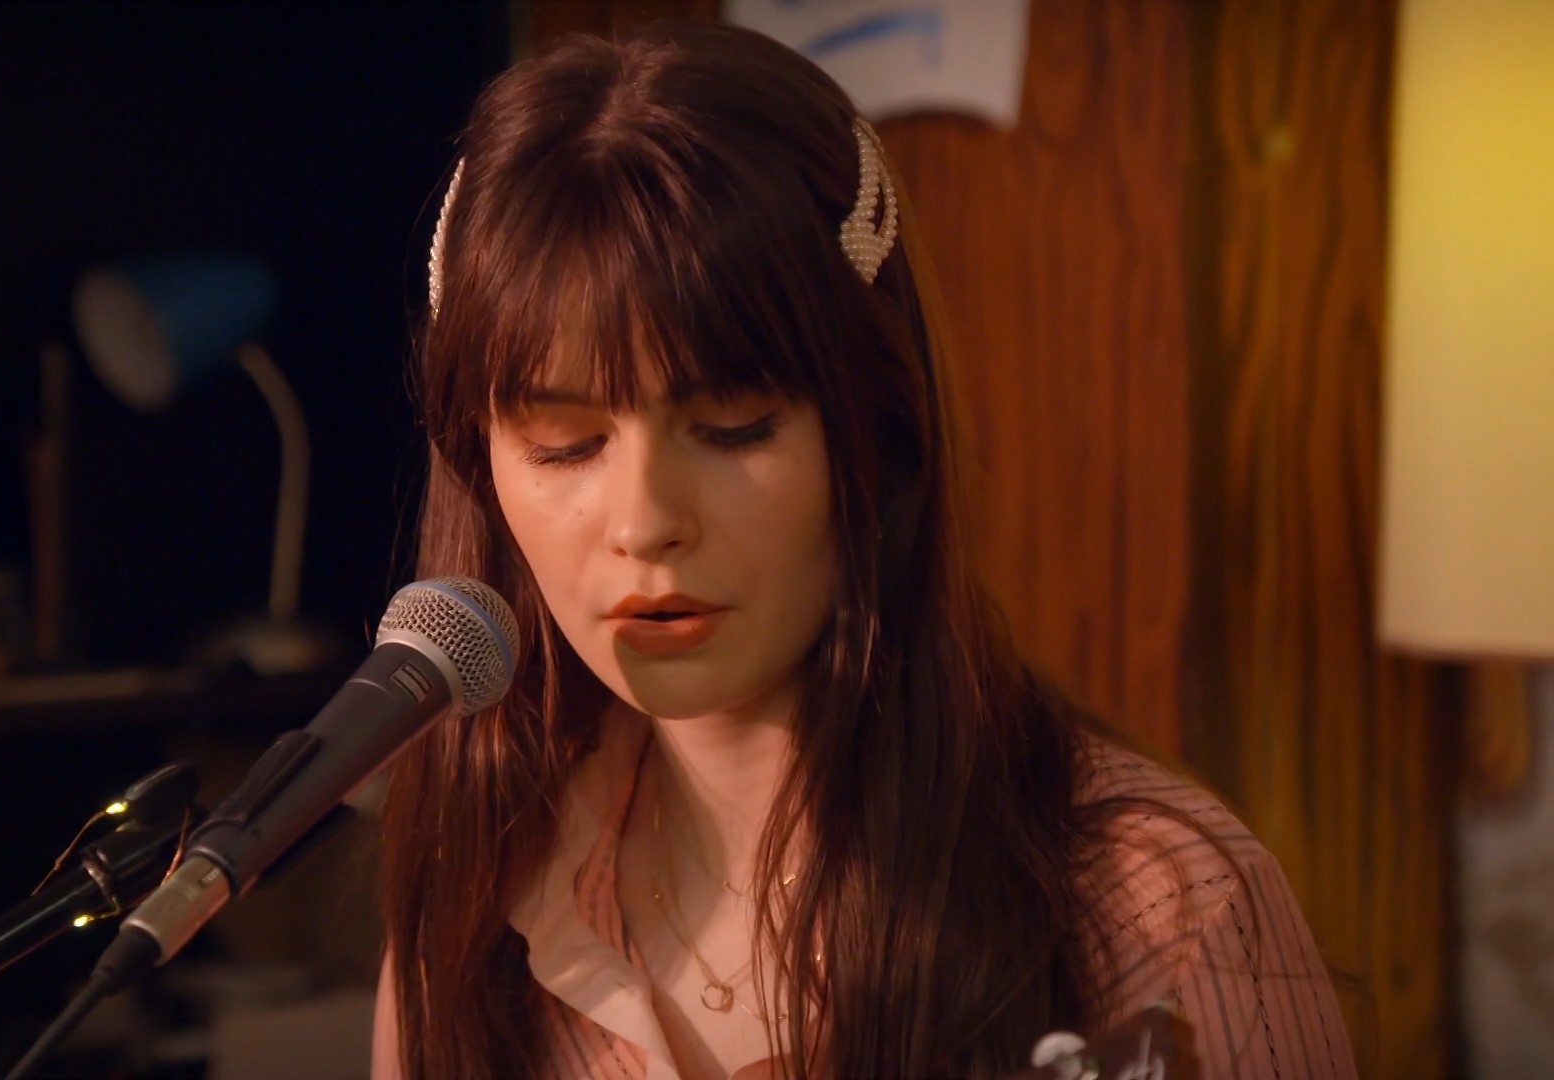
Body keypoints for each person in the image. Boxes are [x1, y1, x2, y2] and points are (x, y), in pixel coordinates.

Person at [371, 20, 1352, 1080]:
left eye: (733, 426)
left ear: (876, 432)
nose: (645, 522)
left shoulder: (1155, 909)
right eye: (565, 443)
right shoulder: (479, 905)